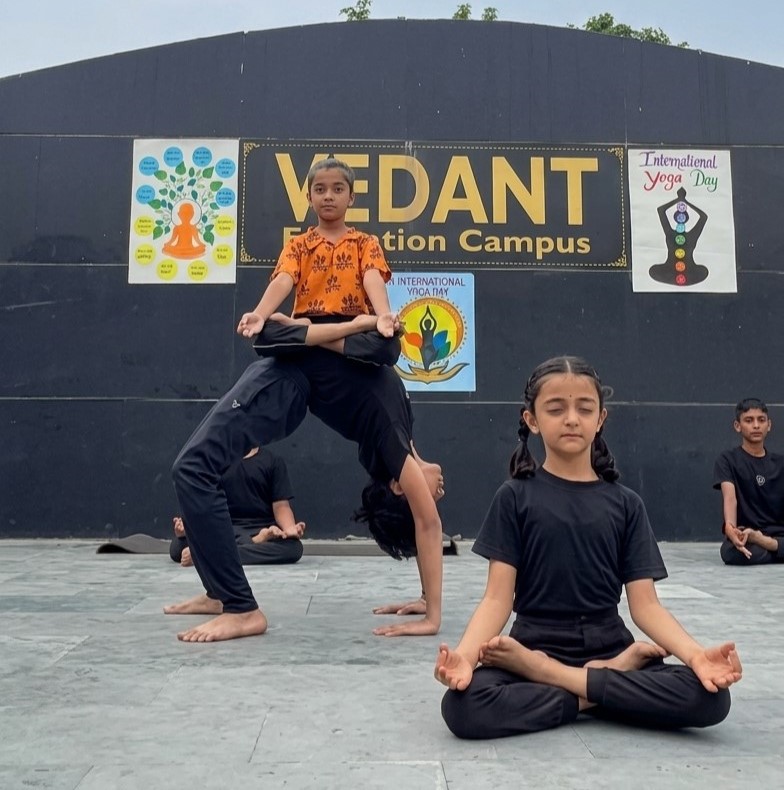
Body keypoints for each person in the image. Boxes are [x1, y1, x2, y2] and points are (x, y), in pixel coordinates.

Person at [166, 159, 445, 642]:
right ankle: (219, 591)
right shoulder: (300, 244)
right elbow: (283, 282)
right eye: (321, 189)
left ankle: (241, 610)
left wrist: (433, 616)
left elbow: (428, 521)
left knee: (374, 340)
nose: (440, 484)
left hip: (319, 361)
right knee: (194, 465)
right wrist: (261, 312)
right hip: (301, 364)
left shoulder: (389, 438)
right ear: (312, 196)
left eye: (338, 189)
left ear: (400, 487)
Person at [435, 356, 741, 739]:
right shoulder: (514, 497)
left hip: (600, 645)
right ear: (531, 420)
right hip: (532, 644)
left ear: (600, 419)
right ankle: (604, 684)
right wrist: (463, 658)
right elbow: (497, 599)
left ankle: (560, 679)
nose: (571, 419)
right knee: (464, 707)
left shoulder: (625, 503)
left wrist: (696, 656)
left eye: (584, 408)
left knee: (709, 697)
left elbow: (645, 606)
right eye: (555, 408)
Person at [169, 446, 304, 567]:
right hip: (224, 529)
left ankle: (209, 556)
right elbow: (203, 504)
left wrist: (289, 530)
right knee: (177, 547)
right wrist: (189, 528)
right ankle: (255, 542)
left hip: (263, 528)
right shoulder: (214, 461)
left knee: (293, 548)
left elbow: (281, 507)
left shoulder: (273, 461)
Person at [714, 398, 784, 565]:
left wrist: (765, 540)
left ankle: (769, 545)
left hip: (779, 534)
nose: (756, 425)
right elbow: (730, 498)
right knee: (732, 552)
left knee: (754, 552)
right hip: (748, 535)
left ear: (769, 425)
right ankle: (776, 551)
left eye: (761, 420)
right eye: (749, 420)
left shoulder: (781, 463)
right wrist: (731, 529)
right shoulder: (727, 460)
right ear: (738, 426)